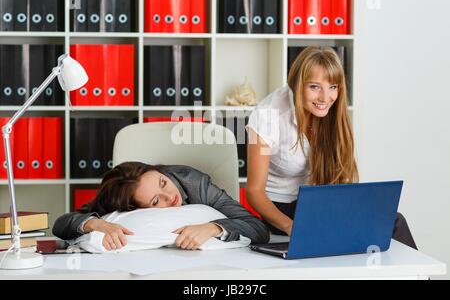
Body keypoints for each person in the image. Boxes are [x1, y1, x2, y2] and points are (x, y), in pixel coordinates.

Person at [245, 46, 417, 249]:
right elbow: (254, 192)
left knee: (393, 222)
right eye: (315, 87)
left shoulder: (332, 113)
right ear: (297, 84)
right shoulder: (268, 116)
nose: (325, 98)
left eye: (332, 87)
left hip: (319, 201)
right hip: (281, 210)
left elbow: (339, 176)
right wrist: (291, 227)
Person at [53, 162, 269, 251]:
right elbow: (62, 224)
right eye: (156, 201)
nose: (170, 196)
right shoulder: (125, 206)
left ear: (161, 172)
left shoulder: (194, 183)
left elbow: (258, 229)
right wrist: (94, 223)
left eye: (163, 182)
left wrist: (214, 227)